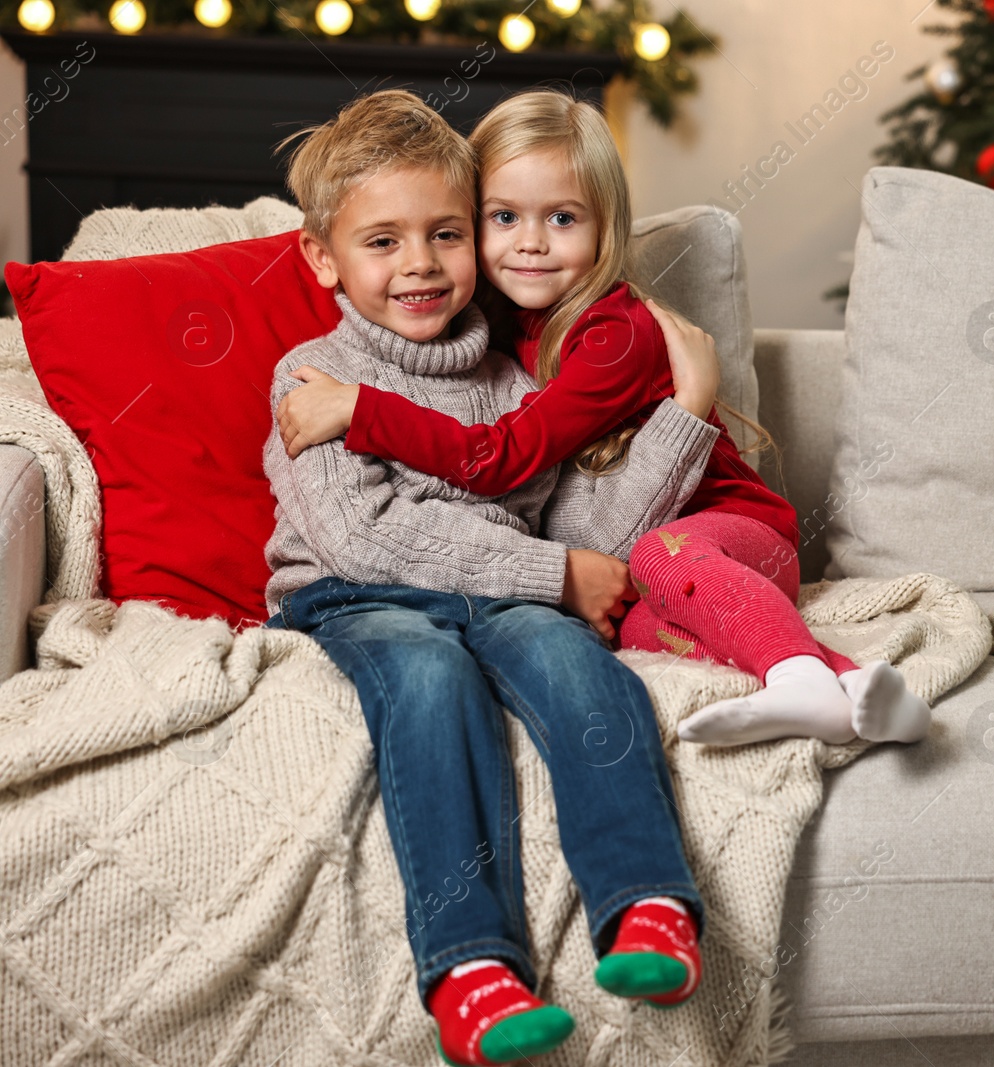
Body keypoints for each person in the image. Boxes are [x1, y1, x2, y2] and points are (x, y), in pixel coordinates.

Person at [262, 90, 723, 1067]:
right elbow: (365, 539)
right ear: (322, 257)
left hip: (507, 595)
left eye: (443, 234)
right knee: (429, 678)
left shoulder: (515, 382)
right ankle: (471, 969)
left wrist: (685, 411)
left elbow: (586, 534)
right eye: (381, 241)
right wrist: (552, 570)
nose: (420, 264)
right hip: (362, 598)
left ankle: (645, 907)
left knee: (578, 665)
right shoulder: (313, 374)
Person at [275, 90, 933, 748]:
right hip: (666, 572)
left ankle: (799, 680)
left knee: (658, 553)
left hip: (736, 534)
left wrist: (363, 409)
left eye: (562, 218)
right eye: (503, 216)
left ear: (604, 230)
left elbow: (497, 458)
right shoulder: (497, 334)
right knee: (640, 629)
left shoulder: (613, 334)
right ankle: (853, 691)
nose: (530, 243)